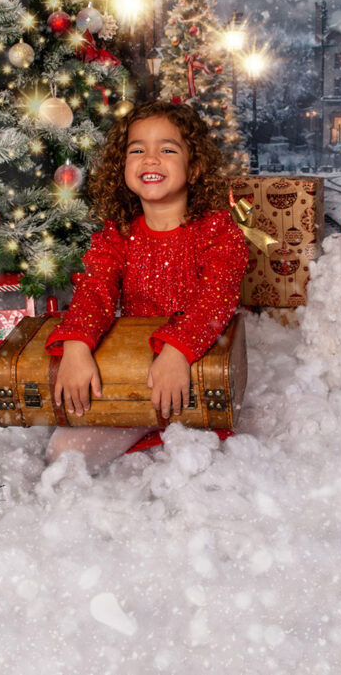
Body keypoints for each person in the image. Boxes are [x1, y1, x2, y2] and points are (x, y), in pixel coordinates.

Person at [43, 100, 248, 471]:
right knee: (63, 455)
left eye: (167, 149)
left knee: (201, 467)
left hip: (193, 365)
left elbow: (216, 299)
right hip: (134, 374)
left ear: (195, 165)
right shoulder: (117, 235)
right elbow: (95, 291)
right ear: (122, 166)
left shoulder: (219, 231)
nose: (150, 159)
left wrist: (177, 351)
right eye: (137, 150)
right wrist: (77, 345)